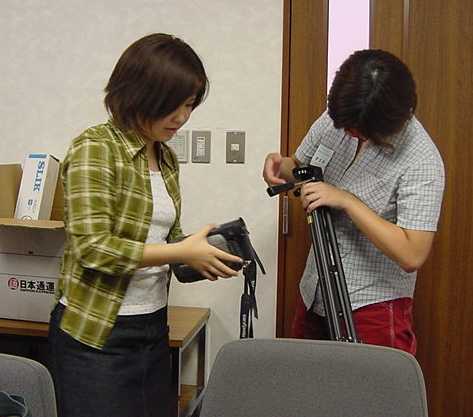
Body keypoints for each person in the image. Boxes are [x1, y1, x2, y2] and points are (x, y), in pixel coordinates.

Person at [48, 33, 242, 417]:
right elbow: (93, 248)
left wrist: (200, 254)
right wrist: (181, 250)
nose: (182, 117)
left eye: (189, 105)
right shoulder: (95, 147)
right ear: (140, 93)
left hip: (152, 328)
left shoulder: (165, 157)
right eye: (173, 104)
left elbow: (165, 240)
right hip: (97, 334)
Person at [263, 49, 445, 354]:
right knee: (303, 381)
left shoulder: (422, 160)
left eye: (359, 132)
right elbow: (299, 166)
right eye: (346, 127)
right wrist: (280, 167)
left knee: (368, 387)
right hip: (315, 289)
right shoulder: (340, 116)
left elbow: (412, 253)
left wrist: (347, 201)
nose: (349, 134)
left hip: (372, 306)